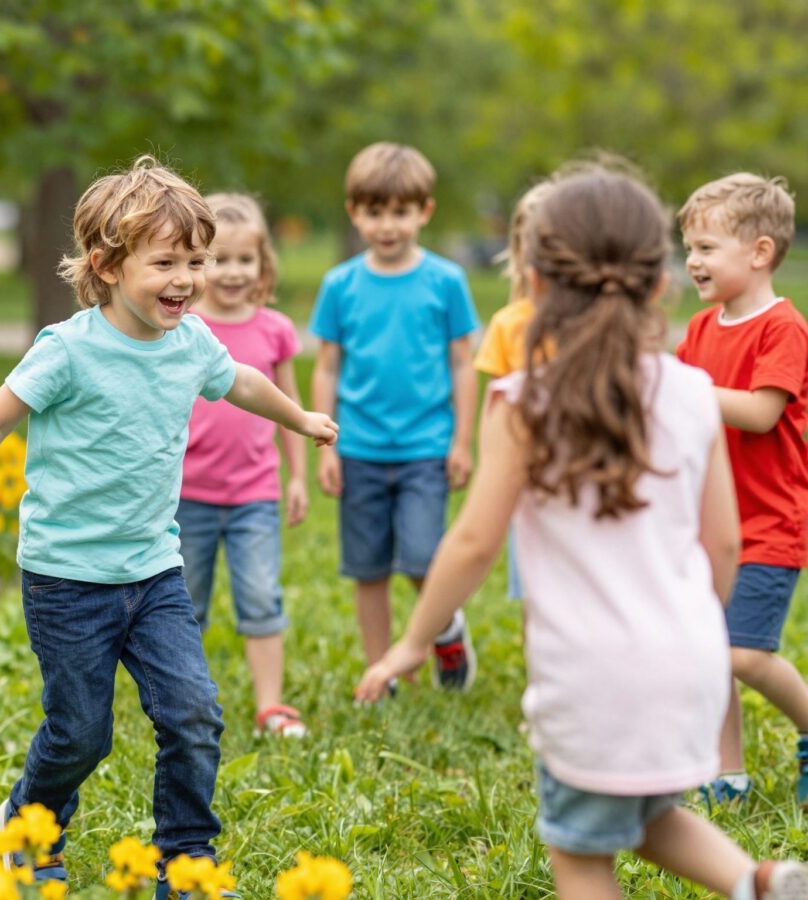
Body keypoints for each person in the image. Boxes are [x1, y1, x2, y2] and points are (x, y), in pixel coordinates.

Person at [356, 166, 808, 900]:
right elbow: (724, 544)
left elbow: (472, 544)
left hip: (590, 678)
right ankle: (756, 881)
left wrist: (413, 641)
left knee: (580, 853)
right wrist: (697, 623)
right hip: (690, 663)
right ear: (657, 286)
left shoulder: (523, 403)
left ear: (533, 283)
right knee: (647, 812)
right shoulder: (693, 393)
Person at [0, 157, 337, 897]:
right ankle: (30, 823)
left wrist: (298, 418)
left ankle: (187, 860)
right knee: (81, 733)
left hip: (153, 571)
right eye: (165, 263)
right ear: (106, 266)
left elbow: (242, 380)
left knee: (194, 713)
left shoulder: (191, 342)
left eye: (195, 262)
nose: (186, 279)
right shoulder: (68, 350)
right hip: (66, 579)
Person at [309, 142, 479, 693]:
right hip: (359, 449)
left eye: (400, 212)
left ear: (424, 212)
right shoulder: (340, 285)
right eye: (374, 212)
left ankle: (444, 629)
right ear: (354, 213)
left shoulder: (445, 281)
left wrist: (462, 441)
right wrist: (328, 445)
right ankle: (380, 672)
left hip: (426, 447)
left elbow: (463, 364)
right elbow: (327, 368)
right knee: (369, 569)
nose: (387, 225)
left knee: (423, 558)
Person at [675, 173, 808, 809]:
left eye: (706, 248)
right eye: (689, 249)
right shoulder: (700, 329)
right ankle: (727, 774)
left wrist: (682, 387)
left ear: (759, 252)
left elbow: (760, 412)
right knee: (710, 653)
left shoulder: (783, 328)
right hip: (709, 523)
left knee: (744, 654)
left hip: (770, 521)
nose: (692, 261)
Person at [176, 193, 308, 738]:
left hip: (255, 494)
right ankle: (179, 701)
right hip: (187, 495)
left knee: (259, 595)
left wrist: (298, 477)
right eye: (219, 260)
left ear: (263, 263)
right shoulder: (182, 328)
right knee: (183, 604)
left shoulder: (274, 329)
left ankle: (270, 705)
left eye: (245, 260)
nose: (233, 272)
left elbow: (289, 408)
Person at [473, 181, 553, 603]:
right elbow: (494, 407)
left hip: (581, 477)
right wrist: (491, 473)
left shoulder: (597, 323)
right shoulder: (509, 324)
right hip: (525, 479)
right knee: (533, 593)